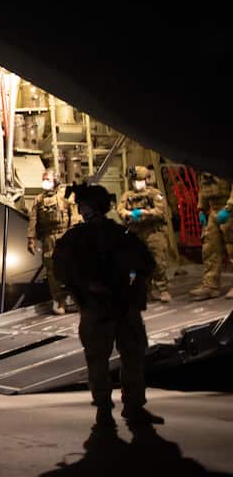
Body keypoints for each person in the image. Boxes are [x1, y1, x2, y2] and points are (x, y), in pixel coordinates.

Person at [53, 183, 164, 428]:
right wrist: (131, 286)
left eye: (81, 205)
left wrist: (85, 287)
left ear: (87, 208)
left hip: (97, 308)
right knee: (132, 358)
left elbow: (61, 270)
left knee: (99, 361)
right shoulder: (121, 234)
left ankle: (104, 412)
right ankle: (133, 408)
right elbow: (146, 264)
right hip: (124, 306)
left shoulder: (75, 237)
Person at [27, 168, 81, 313]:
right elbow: (33, 220)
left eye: (48, 180)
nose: (45, 183)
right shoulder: (39, 200)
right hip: (48, 239)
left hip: (65, 235)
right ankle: (60, 302)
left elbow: (74, 217)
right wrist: (31, 239)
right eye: (43, 180)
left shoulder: (67, 195)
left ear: (56, 181)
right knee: (52, 272)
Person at [116, 165, 172, 303]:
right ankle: (145, 291)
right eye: (134, 180)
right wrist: (128, 214)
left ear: (146, 179)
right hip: (135, 233)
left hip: (153, 232)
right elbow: (120, 210)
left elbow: (161, 212)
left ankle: (163, 289)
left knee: (157, 262)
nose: (136, 183)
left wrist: (144, 213)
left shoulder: (154, 194)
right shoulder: (127, 195)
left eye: (139, 180)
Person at [189, 172, 233, 300]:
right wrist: (201, 209)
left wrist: (229, 208)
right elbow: (202, 189)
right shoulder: (204, 166)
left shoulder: (224, 162)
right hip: (213, 210)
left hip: (228, 210)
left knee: (232, 247)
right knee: (210, 248)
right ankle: (211, 285)